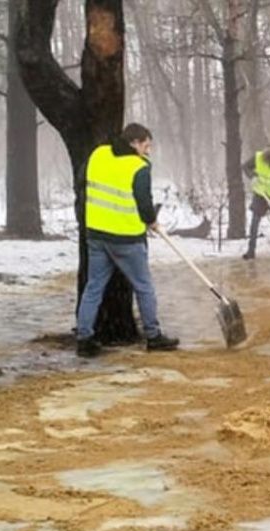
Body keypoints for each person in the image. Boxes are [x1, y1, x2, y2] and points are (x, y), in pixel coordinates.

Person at [75, 123, 179, 357]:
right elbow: (143, 200)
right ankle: (153, 336)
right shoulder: (138, 166)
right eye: (146, 145)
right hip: (127, 238)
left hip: (96, 234)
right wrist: (151, 220)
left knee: (93, 287)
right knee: (144, 287)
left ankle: (84, 338)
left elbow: (83, 182)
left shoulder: (98, 154)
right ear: (134, 142)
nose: (147, 151)